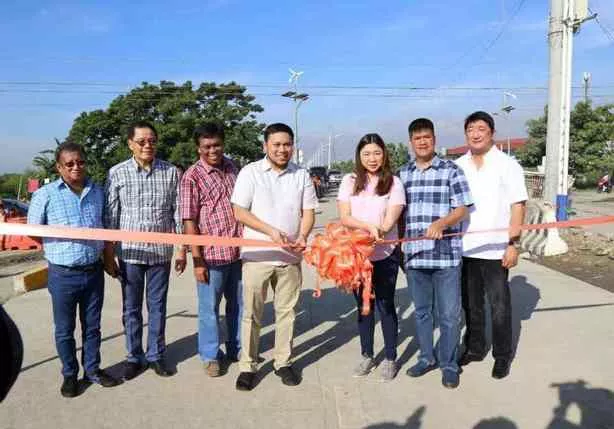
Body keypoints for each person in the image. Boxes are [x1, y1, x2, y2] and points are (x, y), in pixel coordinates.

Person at [28, 142, 120, 397]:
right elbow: (34, 232)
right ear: (59, 167)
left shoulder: (97, 191)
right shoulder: (45, 195)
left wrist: (107, 260)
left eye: (80, 162)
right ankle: (70, 374)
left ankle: (92, 370)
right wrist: (61, 249)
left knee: (92, 327)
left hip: (93, 272)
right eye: (69, 164)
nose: (76, 167)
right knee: (64, 329)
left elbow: (105, 228)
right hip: (63, 274)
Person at [230, 123, 317, 391]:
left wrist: (302, 236)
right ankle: (247, 366)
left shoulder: (301, 174)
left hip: (290, 258)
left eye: (287, 144)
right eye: (276, 144)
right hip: (257, 256)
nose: (282, 149)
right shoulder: (251, 172)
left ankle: (283, 362)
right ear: (265, 146)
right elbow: (239, 211)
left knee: (287, 313)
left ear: (293, 146)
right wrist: (270, 231)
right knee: (252, 315)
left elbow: (309, 212)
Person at [104, 121, 186, 380]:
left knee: (158, 306)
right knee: (131, 308)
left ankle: (156, 356)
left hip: (160, 253)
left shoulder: (171, 172)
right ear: (130, 144)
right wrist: (108, 255)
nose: (147, 145)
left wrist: (182, 249)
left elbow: (178, 213)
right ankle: (134, 357)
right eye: (141, 141)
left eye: (152, 141)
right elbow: (110, 217)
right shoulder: (117, 173)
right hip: (129, 254)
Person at [399, 118, 473, 389]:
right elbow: (396, 212)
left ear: (434, 139)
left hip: (445, 257)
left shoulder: (451, 170)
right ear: (411, 142)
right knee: (422, 313)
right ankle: (426, 357)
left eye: (427, 137)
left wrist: (441, 224)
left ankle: (449, 364)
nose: (422, 142)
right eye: (417, 138)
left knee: (450, 315)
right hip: (416, 257)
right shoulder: (402, 173)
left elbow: (462, 208)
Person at [455, 111, 527, 379]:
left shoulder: (507, 164)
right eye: (470, 129)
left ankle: (502, 355)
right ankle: (475, 348)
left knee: (499, 306)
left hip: (496, 249)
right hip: (465, 248)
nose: (475, 133)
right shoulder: (459, 166)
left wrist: (513, 243)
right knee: (471, 304)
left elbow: (518, 205)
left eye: (481, 128)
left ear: (491, 133)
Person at [336, 133, 406, 381]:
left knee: (386, 306)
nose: (372, 158)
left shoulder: (394, 183)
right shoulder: (350, 180)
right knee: (364, 308)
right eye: (366, 154)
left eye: (377, 153)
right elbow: (345, 217)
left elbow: (390, 219)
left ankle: (390, 357)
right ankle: (367, 355)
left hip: (385, 255)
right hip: (357, 256)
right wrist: (367, 228)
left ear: (384, 154)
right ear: (359, 156)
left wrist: (380, 230)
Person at [180, 123, 243, 377]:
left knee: (238, 306)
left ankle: (237, 348)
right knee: (209, 309)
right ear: (198, 148)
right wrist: (197, 260)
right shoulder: (191, 177)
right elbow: (189, 220)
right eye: (207, 146)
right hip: (210, 257)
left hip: (238, 253)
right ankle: (210, 355)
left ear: (223, 144)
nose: (212, 150)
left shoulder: (232, 168)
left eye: (216, 144)